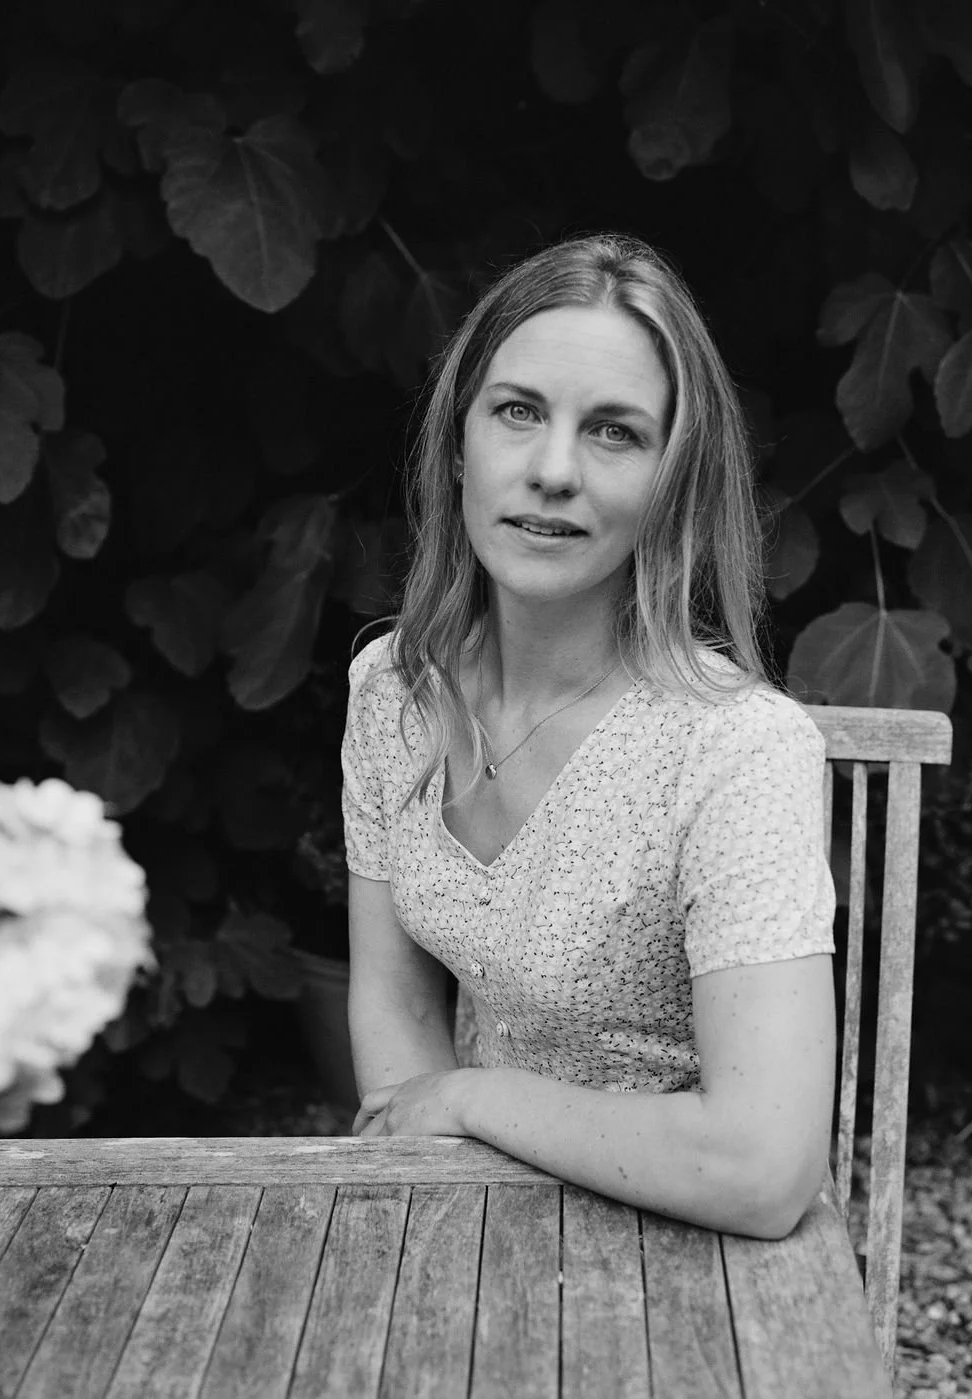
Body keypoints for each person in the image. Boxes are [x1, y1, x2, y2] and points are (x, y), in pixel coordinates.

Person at [341, 233, 836, 1239]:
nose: (552, 471)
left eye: (613, 432)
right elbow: (391, 1006)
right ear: (457, 440)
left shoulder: (736, 747)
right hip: (467, 1211)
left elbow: (763, 1169)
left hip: (690, 1245)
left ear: (672, 482)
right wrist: (428, 1190)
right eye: (518, 412)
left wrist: (470, 1100)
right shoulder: (392, 687)